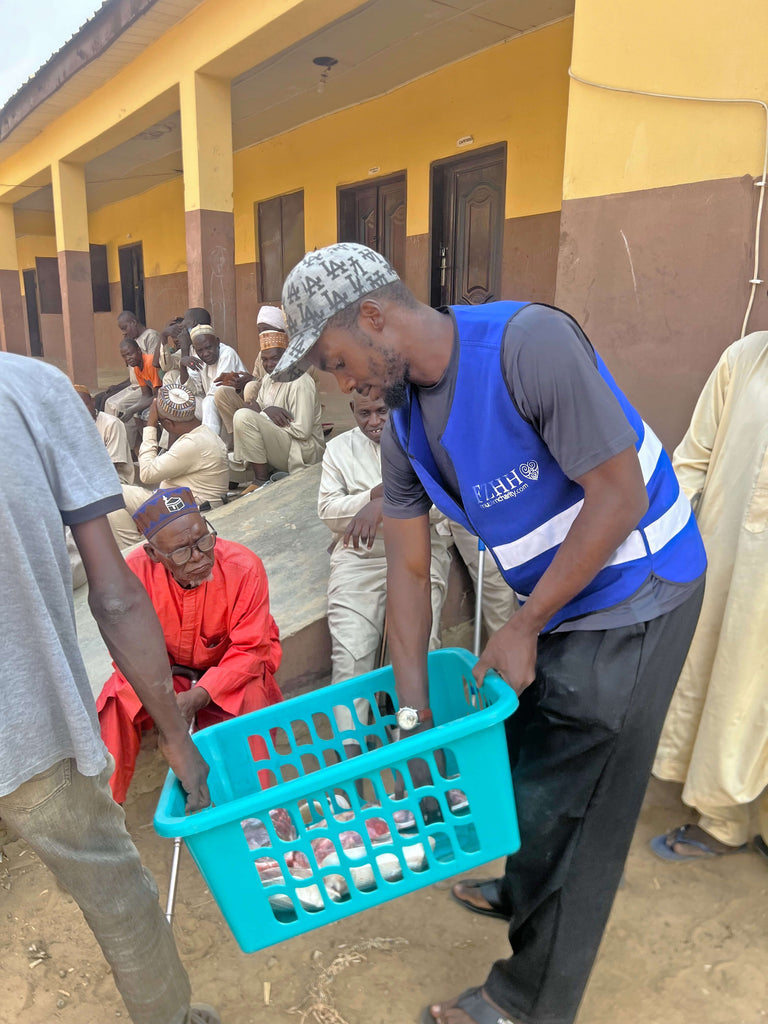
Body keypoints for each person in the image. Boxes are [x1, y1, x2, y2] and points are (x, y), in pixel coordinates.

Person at [273, 242, 707, 1024]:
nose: (344, 388)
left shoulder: (525, 345)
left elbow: (619, 495)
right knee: (525, 746)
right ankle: (520, 880)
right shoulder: (405, 423)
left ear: (374, 317)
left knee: (581, 808)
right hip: (561, 601)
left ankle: (525, 1003)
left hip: (634, 593)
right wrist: (412, 725)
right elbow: (404, 576)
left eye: (339, 362)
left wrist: (528, 626)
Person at [0, 351, 220, 1024]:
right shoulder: (29, 389)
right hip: (29, 729)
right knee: (119, 898)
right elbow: (115, 597)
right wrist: (177, 740)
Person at [652, 332, 768, 864]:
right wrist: (673, 542)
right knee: (731, 685)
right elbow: (693, 460)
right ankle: (725, 818)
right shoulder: (745, 359)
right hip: (728, 564)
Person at [97, 487, 283, 804]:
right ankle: (103, 815)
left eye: (203, 540)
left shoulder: (244, 567)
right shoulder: (134, 574)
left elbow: (250, 651)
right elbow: (129, 653)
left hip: (229, 670)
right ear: (154, 554)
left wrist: (198, 696)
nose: (199, 557)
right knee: (116, 697)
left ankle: (257, 808)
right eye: (181, 552)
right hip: (167, 674)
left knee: (250, 695)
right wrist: (164, 704)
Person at [318, 391, 452, 744]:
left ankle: (417, 750)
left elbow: (443, 504)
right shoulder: (339, 449)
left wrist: (388, 502)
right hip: (359, 556)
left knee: (423, 648)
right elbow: (329, 512)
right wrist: (371, 497)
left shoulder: (422, 439)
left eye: (381, 411)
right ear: (352, 410)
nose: (373, 421)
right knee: (351, 655)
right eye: (364, 413)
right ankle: (350, 769)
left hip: (419, 550)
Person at [107, 385, 231, 549]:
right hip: (179, 504)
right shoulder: (202, 433)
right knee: (112, 500)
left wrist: (150, 426)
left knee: (109, 497)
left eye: (160, 422)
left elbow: (146, 473)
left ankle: (135, 551)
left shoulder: (193, 444)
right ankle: (137, 547)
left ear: (167, 423)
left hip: (186, 511)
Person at [230, 318, 325, 485]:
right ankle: (263, 470)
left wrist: (264, 414)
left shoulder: (300, 382)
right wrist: (264, 412)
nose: (269, 364)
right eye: (265, 360)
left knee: (243, 417)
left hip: (302, 451)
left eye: (274, 358)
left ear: (286, 356)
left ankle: (261, 480)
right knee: (221, 461)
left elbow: (303, 431)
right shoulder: (268, 379)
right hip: (281, 443)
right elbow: (259, 408)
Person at [213, 304, 287, 433]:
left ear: (280, 330)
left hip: (282, 403)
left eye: (267, 329)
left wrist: (252, 380)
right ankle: (238, 436)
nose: (263, 334)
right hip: (260, 403)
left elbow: (290, 383)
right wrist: (238, 383)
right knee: (222, 393)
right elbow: (255, 380)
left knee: (251, 386)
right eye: (260, 330)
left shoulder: (295, 354)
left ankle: (256, 433)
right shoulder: (261, 355)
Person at [182, 323, 245, 439]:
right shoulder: (199, 359)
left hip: (234, 406)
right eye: (200, 350)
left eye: (209, 347)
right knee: (183, 399)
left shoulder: (227, 354)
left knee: (209, 400)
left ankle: (210, 443)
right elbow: (192, 389)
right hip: (212, 408)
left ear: (217, 342)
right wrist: (183, 366)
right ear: (195, 350)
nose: (205, 353)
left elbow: (218, 389)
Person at [103, 311, 163, 418]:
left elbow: (154, 367)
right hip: (139, 385)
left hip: (151, 386)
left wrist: (133, 409)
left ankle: (125, 434)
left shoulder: (151, 336)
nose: (124, 333)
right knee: (108, 402)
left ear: (133, 322)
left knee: (118, 407)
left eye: (125, 328)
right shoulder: (134, 347)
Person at [74, 383, 135, 484]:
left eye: (84, 404)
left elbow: (111, 468)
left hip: (113, 483)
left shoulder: (111, 424)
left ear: (93, 402)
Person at [113, 336, 162, 449]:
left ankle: (157, 447)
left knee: (146, 415)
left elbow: (157, 395)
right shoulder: (136, 368)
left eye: (130, 354)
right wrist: (131, 409)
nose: (128, 358)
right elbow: (146, 395)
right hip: (156, 397)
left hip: (165, 396)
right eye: (124, 356)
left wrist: (132, 409)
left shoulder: (149, 363)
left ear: (139, 351)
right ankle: (146, 445)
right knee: (136, 414)